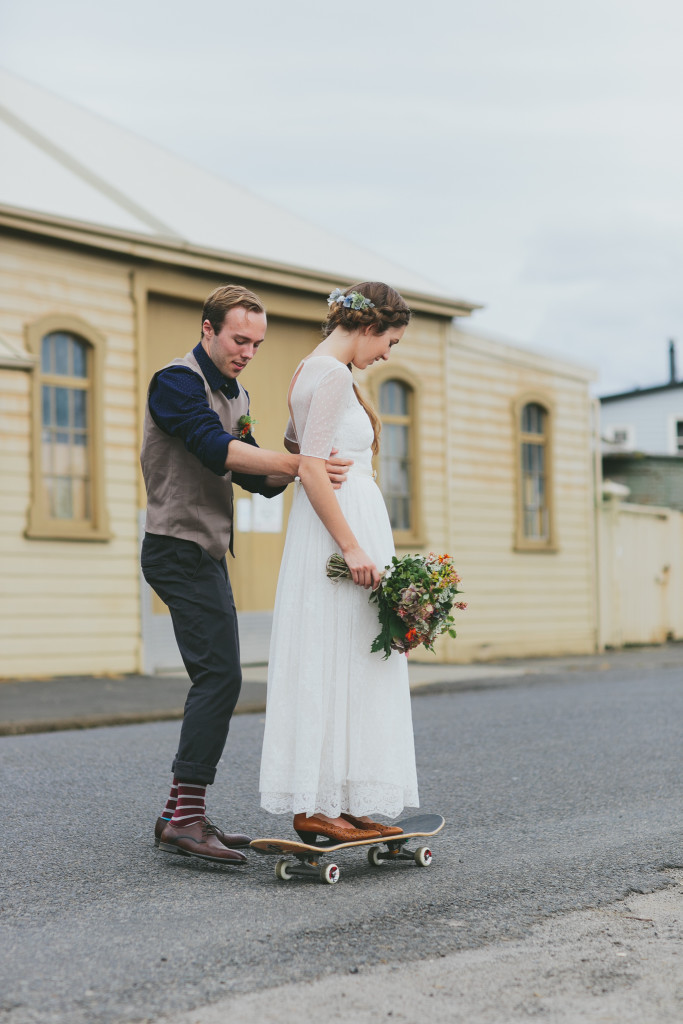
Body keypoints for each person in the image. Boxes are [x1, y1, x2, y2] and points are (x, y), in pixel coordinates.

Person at [140, 284, 350, 864]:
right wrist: (303, 463)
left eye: (256, 343)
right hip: (175, 548)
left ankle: (179, 814)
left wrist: (297, 443)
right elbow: (215, 449)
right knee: (221, 679)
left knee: (217, 677)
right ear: (207, 329)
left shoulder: (237, 391)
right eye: (239, 339)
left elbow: (259, 478)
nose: (248, 351)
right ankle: (185, 819)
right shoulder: (177, 382)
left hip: (203, 552)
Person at [259, 282, 419, 842]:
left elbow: (298, 453)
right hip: (338, 533)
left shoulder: (319, 372)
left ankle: (342, 797)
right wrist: (352, 546)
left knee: (350, 659)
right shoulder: (327, 374)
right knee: (336, 655)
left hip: (343, 522)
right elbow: (307, 467)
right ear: (368, 327)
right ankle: (318, 801)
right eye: (389, 342)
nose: (386, 355)